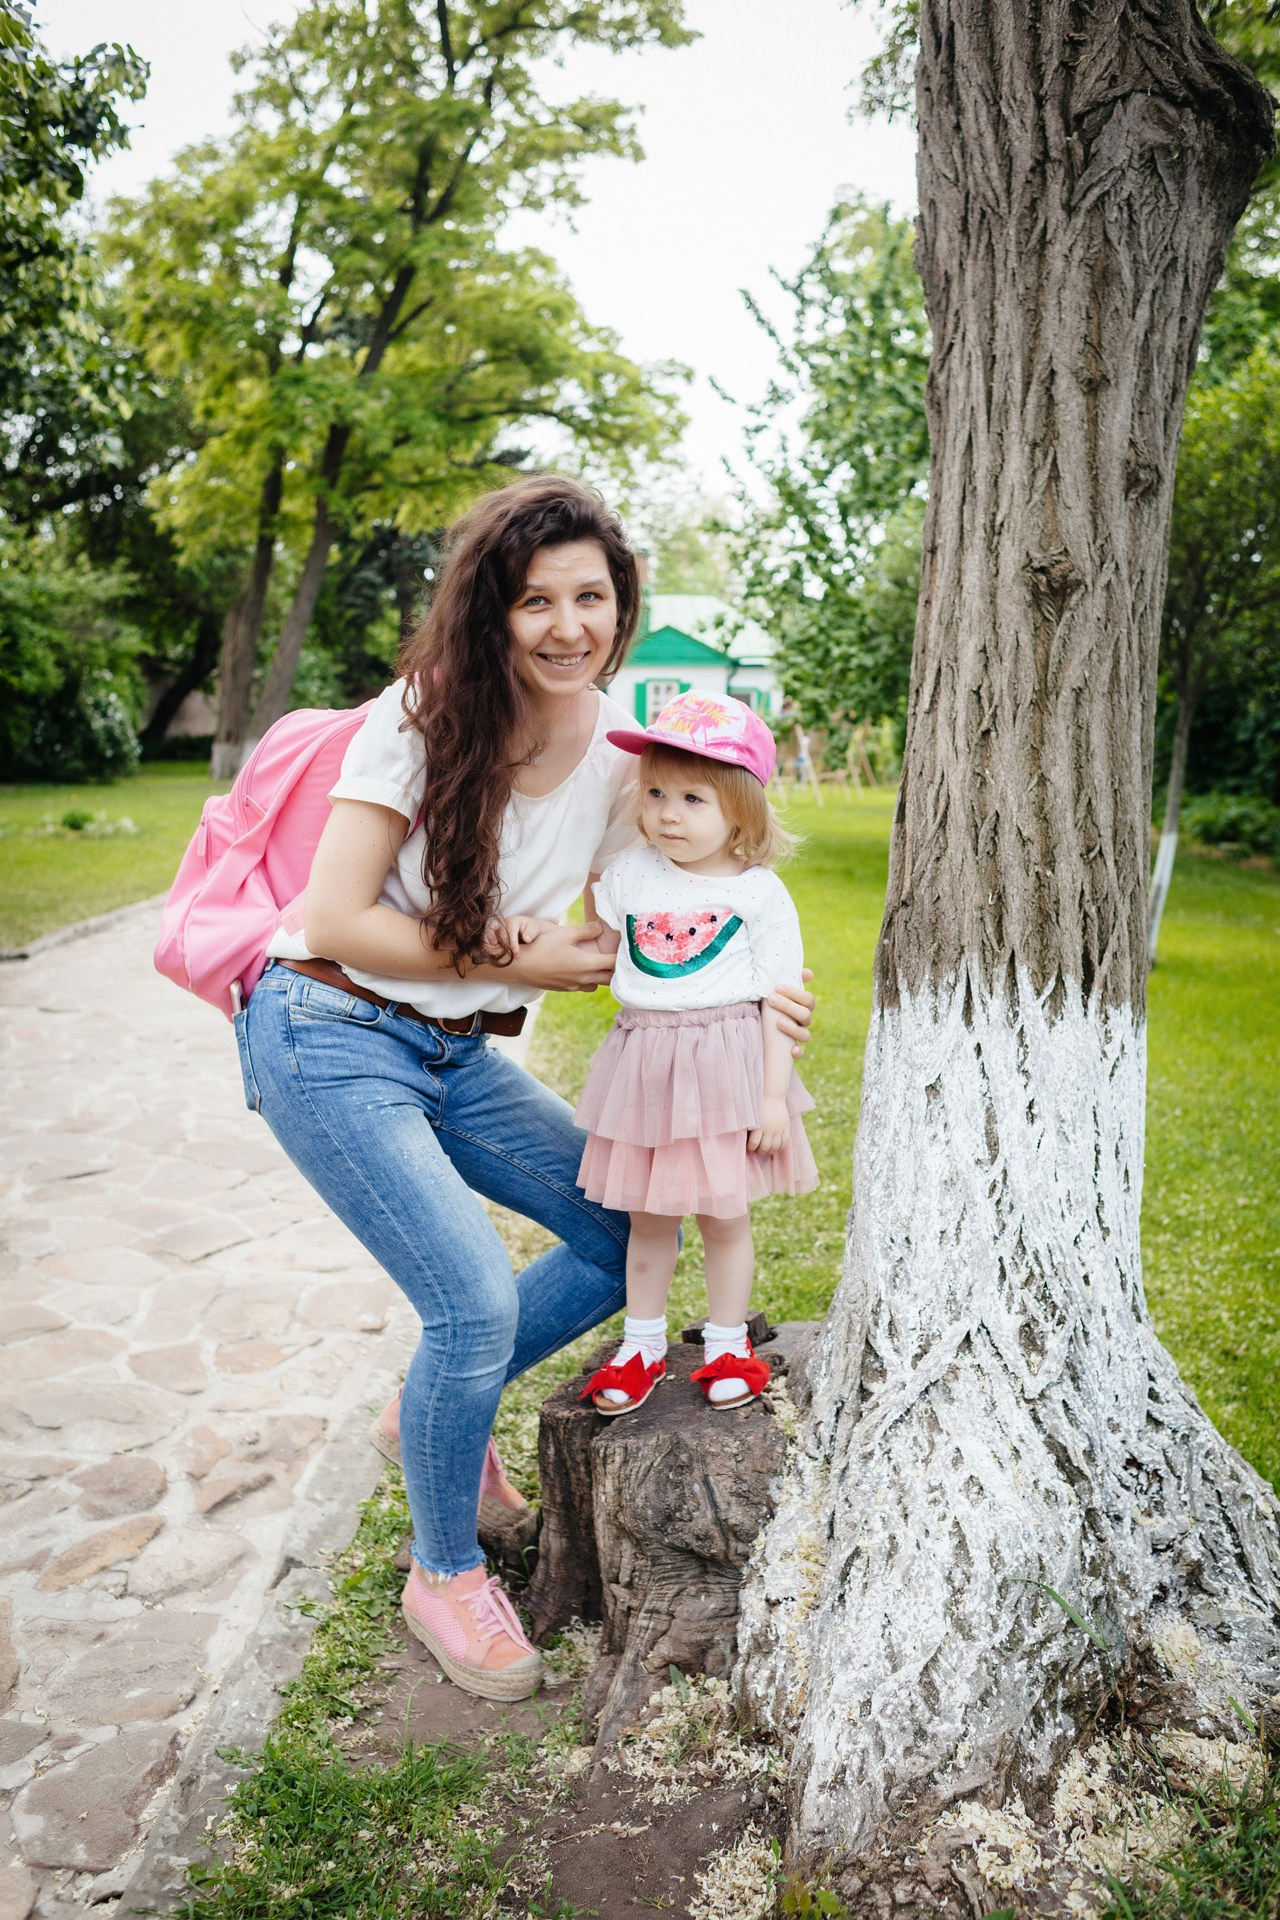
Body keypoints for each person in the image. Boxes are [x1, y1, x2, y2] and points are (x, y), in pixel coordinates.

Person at [233, 477, 815, 1703]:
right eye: (534, 599)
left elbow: (656, 909)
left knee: (614, 1228)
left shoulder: (618, 757)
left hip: (452, 1053)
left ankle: (429, 1417)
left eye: (591, 598)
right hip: (325, 1028)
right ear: (490, 611)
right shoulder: (420, 717)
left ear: (622, 606)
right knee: (469, 1302)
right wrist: (510, 952)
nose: (566, 626)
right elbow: (333, 920)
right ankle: (440, 1572)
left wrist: (758, 991)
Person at [572, 691, 818, 1417]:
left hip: (725, 1065)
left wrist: (772, 1096)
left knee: (723, 1216)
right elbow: (597, 946)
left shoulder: (759, 894)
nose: (668, 814)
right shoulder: (626, 875)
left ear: (741, 812)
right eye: (655, 793)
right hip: (642, 1063)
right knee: (647, 1219)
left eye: (692, 798)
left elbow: (781, 998)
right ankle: (641, 1344)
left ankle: (725, 1343)